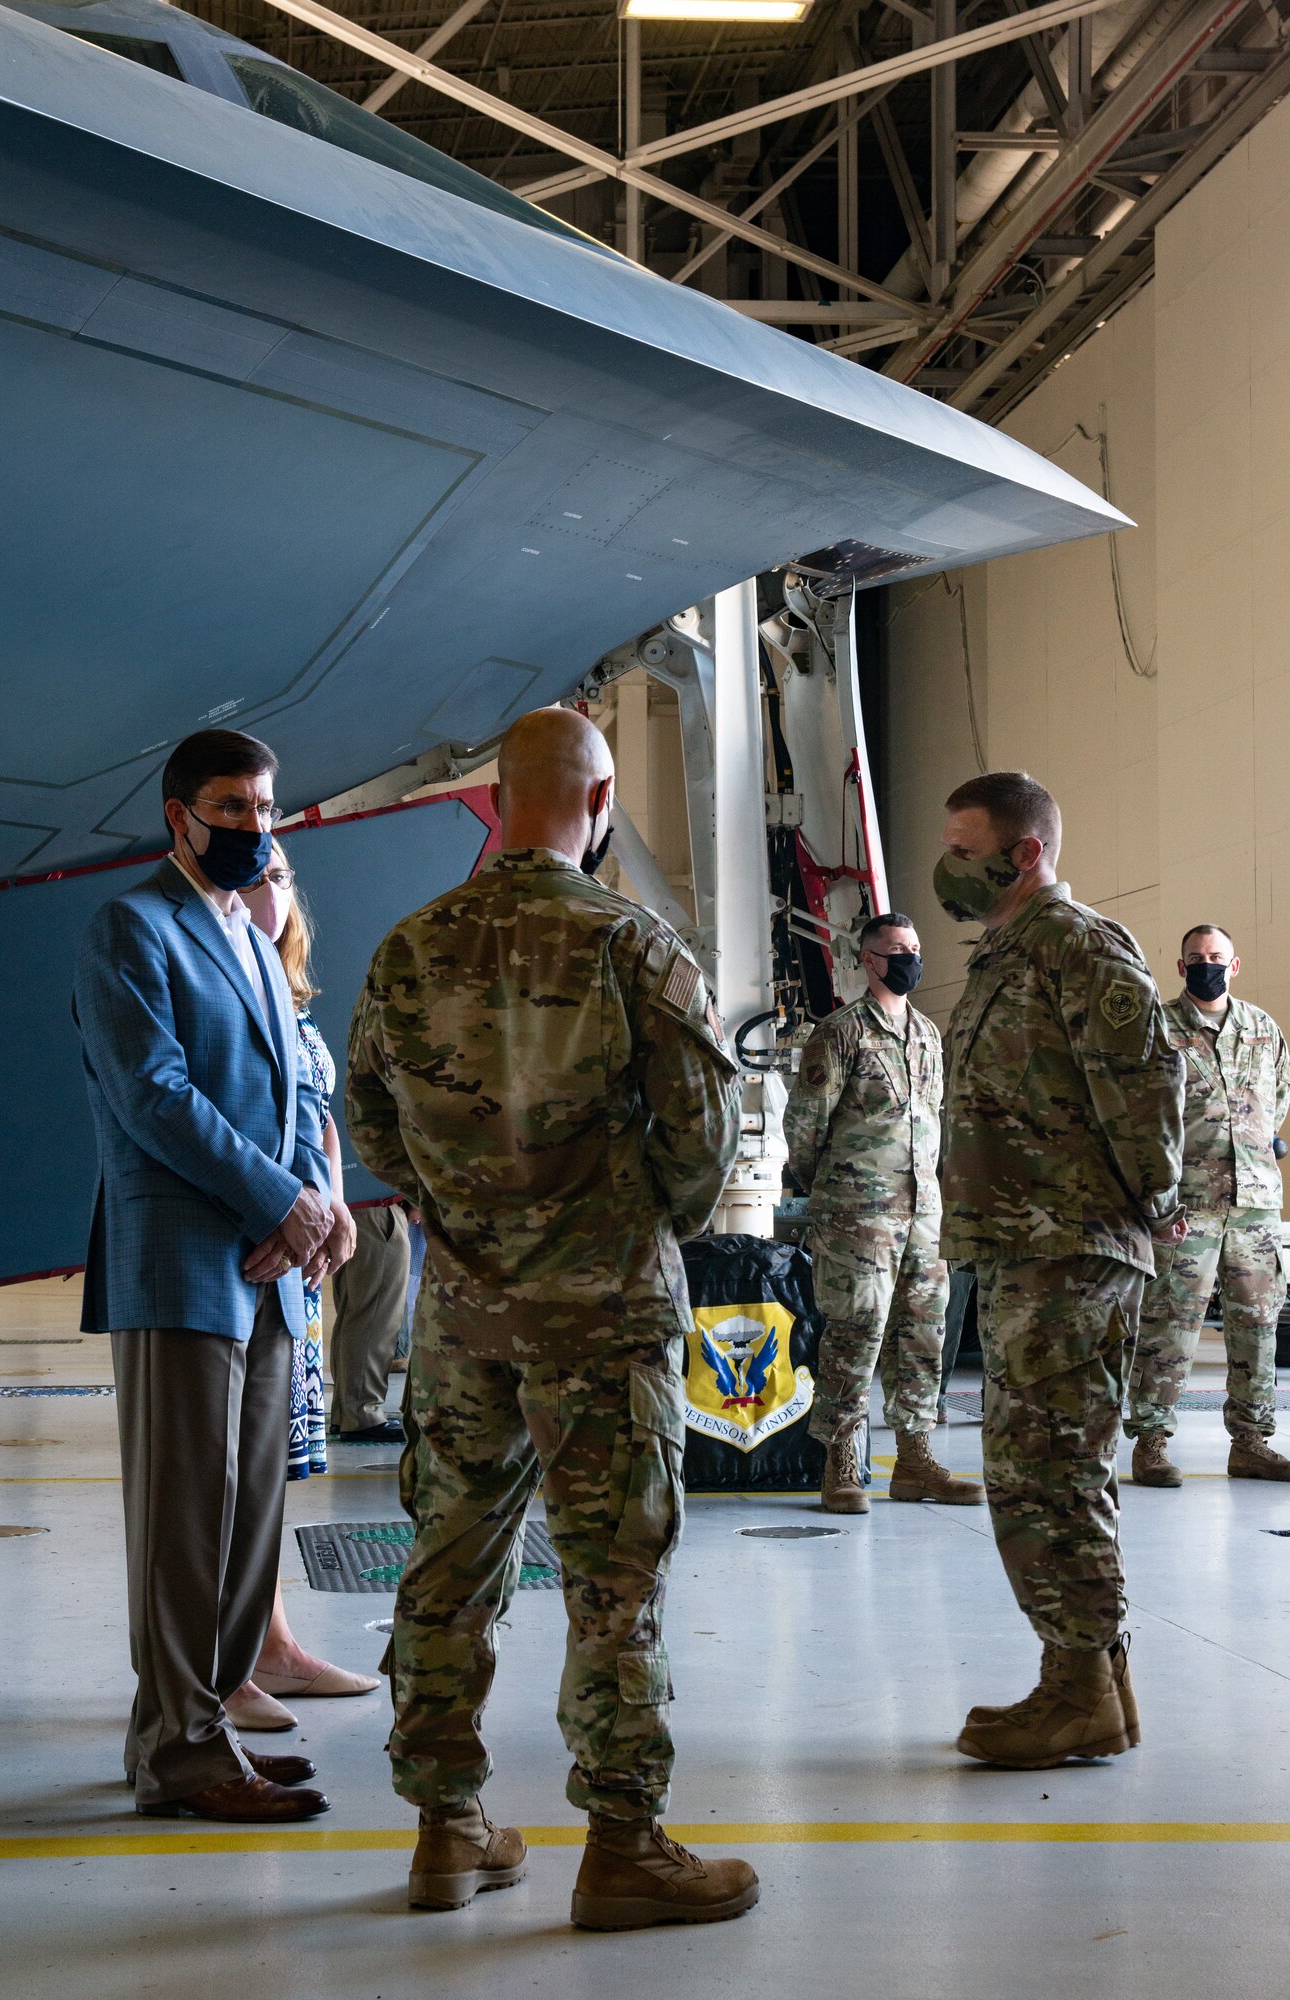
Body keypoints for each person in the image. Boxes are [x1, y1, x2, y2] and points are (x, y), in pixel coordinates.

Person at [345, 706, 758, 1931]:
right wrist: (628, 1226)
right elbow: (702, 1142)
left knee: (449, 1563)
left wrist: (450, 1205)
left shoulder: (413, 945)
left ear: (495, 798)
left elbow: (369, 1115)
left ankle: (445, 1827)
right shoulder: (635, 945)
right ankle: (623, 1843)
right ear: (600, 796)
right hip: (603, 1312)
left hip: (465, 1311)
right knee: (612, 1579)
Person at [74, 728, 346, 1822]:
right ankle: (173, 1747)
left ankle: (211, 1724)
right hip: (185, 1257)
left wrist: (313, 1201)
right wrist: (282, 1200)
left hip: (267, 1266)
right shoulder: (131, 926)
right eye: (230, 806)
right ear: (177, 811)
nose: (251, 825)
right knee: (185, 1515)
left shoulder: (248, 931)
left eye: (265, 807)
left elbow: (291, 1096)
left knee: (247, 1512)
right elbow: (157, 1095)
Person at [936, 771, 1185, 1769]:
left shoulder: (1078, 946)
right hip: (1024, 1245)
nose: (948, 866)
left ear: (1024, 849)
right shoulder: (1006, 950)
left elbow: (1142, 1090)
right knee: (1040, 1472)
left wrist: (1152, 1205)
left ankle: (1080, 1687)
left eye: (963, 848)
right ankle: (1088, 1683)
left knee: (1051, 1474)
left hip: (1069, 1245)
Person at [217, 841, 378, 1730]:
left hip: (301, 1263)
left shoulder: (295, 1009)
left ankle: (270, 1644)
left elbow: (317, 1124)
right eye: (253, 874)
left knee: (269, 1467)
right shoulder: (218, 988)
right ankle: (224, 1662)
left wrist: (338, 1207)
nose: (269, 889)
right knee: (227, 1471)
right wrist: (282, 1211)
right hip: (245, 1252)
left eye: (281, 876)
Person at [786, 911, 983, 1514]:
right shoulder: (840, 1032)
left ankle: (915, 1459)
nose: (909, 959)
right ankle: (842, 1463)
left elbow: (937, 1123)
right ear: (869, 959)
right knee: (856, 1334)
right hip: (857, 1215)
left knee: (922, 1333)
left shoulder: (927, 1033)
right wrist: (834, 1191)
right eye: (897, 949)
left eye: (915, 948)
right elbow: (804, 1127)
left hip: (924, 1213)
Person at [1126, 924, 1290, 1486]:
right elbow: (1139, 1119)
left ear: (1234, 965)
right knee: (1170, 1326)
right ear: (1179, 967)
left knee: (1257, 1325)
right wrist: (1156, 1202)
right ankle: (1151, 1442)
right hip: (1185, 1207)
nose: (1206, 965)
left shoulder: (1262, 1029)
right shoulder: (1157, 1029)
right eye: (1196, 958)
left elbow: (1279, 1101)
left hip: (1255, 1207)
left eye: (1216, 957)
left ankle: (1251, 1442)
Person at [327, 1200, 410, 1444]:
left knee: (355, 1315)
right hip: (379, 1208)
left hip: (353, 1208)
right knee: (377, 1318)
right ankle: (363, 1413)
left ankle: (347, 1413)